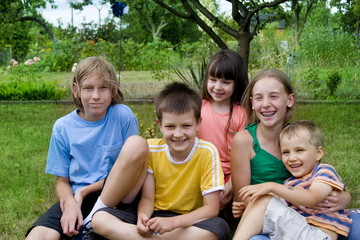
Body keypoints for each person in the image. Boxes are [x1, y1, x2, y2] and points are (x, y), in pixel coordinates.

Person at [25, 56, 148, 239]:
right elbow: (62, 181)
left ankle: (93, 222)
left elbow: (135, 165)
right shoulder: (62, 127)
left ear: (113, 90)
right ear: (76, 90)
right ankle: (85, 224)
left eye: (103, 88)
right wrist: (70, 203)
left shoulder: (122, 116)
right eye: (88, 88)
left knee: (138, 143)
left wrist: (85, 191)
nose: (96, 95)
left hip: (119, 196)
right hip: (78, 197)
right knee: (39, 235)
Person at [91, 82, 230, 240]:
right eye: (170, 126)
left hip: (189, 221)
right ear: (160, 125)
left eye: (186, 126)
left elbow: (211, 209)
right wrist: (142, 217)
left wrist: (173, 223)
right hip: (156, 217)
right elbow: (148, 198)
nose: (178, 134)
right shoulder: (152, 149)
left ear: (198, 123)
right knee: (100, 219)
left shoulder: (207, 152)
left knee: (218, 228)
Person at [230, 68, 357, 240]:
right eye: (259, 98)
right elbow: (244, 198)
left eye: (273, 96)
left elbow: (317, 177)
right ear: (252, 103)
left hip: (310, 221)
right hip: (267, 218)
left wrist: (345, 197)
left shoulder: (299, 136)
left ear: (290, 99)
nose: (266, 103)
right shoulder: (244, 140)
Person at [232, 120, 352, 240]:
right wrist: (247, 210)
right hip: (297, 231)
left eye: (299, 150)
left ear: (318, 153)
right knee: (261, 200)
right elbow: (275, 208)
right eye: (285, 152)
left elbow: (312, 198)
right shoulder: (291, 182)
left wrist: (272, 186)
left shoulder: (323, 171)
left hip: (318, 234)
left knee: (264, 200)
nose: (292, 158)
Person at [198, 49, 248, 209]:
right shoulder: (198, 107)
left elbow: (245, 157)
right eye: (213, 80)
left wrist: (231, 185)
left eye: (226, 82)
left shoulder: (242, 114)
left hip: (230, 174)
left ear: (237, 83)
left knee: (224, 201)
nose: (218, 87)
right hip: (201, 169)